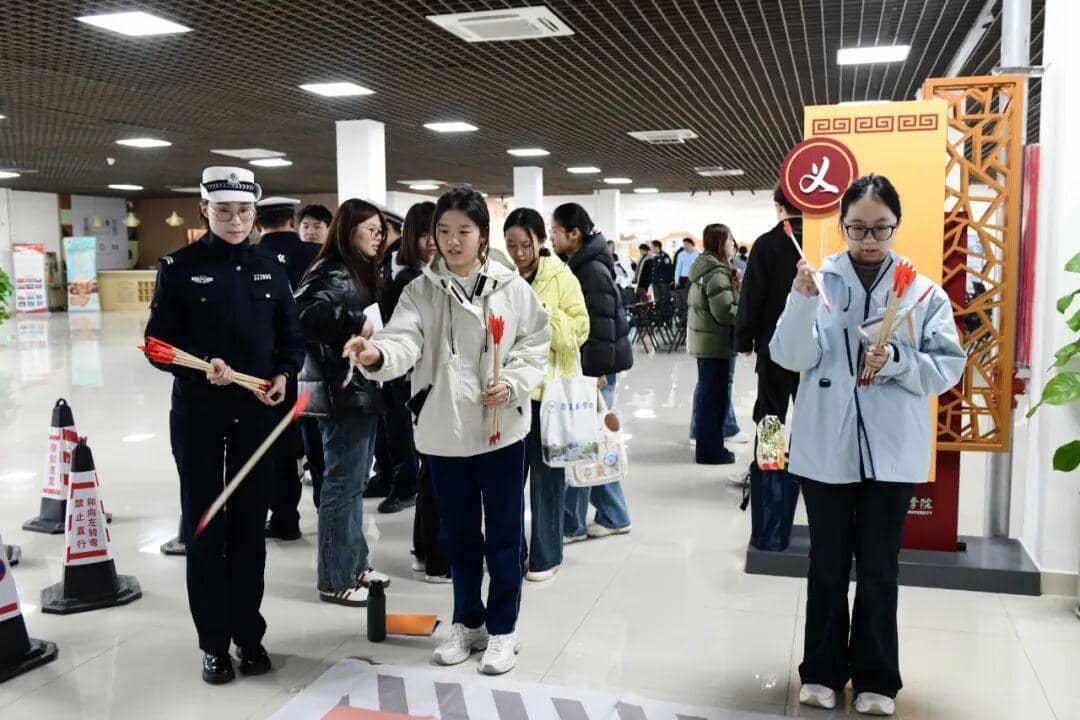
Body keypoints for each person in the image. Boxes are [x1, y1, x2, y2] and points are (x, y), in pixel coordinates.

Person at [770, 175, 964, 716]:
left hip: (891, 451)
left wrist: (899, 363)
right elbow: (790, 357)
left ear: (896, 226)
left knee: (880, 568)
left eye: (881, 228)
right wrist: (800, 301)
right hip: (825, 447)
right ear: (842, 226)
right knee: (827, 564)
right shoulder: (818, 281)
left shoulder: (920, 291)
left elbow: (948, 366)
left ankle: (878, 677)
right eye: (857, 228)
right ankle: (823, 671)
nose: (869, 239)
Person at [345, 187, 550, 675]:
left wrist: (515, 382)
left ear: (482, 236)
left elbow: (534, 344)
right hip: (442, 432)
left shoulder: (510, 288)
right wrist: (375, 356)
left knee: (502, 535)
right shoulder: (420, 290)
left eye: (464, 231)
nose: (452, 241)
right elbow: (402, 340)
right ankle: (468, 622)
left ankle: (504, 631)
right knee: (457, 537)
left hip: (500, 431)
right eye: (443, 231)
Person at [145, 166, 305, 684]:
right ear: (204, 211)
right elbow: (156, 345)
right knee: (206, 527)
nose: (235, 220)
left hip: (256, 416)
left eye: (243, 211)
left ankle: (249, 637)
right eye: (224, 211)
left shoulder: (270, 267)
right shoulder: (179, 267)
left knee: (249, 532)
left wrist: (284, 374)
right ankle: (212, 643)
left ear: (254, 213)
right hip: (198, 418)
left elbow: (291, 339)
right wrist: (197, 363)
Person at [294, 199, 393, 608]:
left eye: (380, 231)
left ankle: (356, 565)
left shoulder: (353, 270)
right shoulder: (332, 269)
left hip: (358, 390)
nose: (377, 238)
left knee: (352, 485)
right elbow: (304, 314)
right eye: (369, 230)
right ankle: (335, 578)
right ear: (347, 230)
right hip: (341, 391)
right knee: (340, 485)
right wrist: (358, 324)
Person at [505, 208, 589, 583]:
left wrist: (544, 314)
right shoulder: (502, 278)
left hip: (548, 394)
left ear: (540, 241)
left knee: (547, 479)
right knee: (507, 480)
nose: (519, 252)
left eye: (525, 244)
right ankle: (510, 554)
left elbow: (580, 329)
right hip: (510, 393)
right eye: (511, 245)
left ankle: (546, 555)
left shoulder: (561, 277)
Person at [551, 203, 634, 543]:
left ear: (575, 234)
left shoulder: (590, 271)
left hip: (594, 371)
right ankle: (613, 515)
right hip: (592, 368)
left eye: (555, 231)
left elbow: (600, 325)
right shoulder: (584, 264)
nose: (552, 238)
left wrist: (595, 371)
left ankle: (573, 523)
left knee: (584, 446)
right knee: (593, 444)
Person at [380, 202, 450, 583]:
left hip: (418, 387)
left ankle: (426, 550)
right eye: (427, 234)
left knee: (432, 473)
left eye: (439, 233)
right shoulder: (413, 282)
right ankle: (437, 556)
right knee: (438, 472)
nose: (435, 243)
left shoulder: (414, 275)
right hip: (418, 388)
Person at [256, 196, 321, 541]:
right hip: (318, 363)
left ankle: (284, 517)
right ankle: (329, 514)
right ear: (293, 222)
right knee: (320, 437)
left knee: (279, 442)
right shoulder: (317, 254)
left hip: (273, 364)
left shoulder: (253, 257)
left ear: (256, 223)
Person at [734, 185, 804, 439]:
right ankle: (804, 473)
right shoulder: (822, 241)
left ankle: (769, 473)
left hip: (772, 345)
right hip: (815, 346)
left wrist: (744, 339)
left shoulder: (765, 245)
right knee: (810, 413)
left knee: (771, 414)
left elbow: (752, 296)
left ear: (778, 207)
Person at [687, 225, 739, 465]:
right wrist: (748, 314)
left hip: (709, 343)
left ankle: (709, 447)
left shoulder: (705, 267)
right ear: (720, 242)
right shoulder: (716, 272)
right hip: (716, 344)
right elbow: (725, 313)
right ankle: (711, 451)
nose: (733, 245)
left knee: (709, 397)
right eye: (730, 240)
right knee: (714, 400)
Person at [295, 203, 333, 507]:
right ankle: (320, 486)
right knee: (308, 425)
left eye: (317, 226)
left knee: (327, 430)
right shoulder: (293, 261)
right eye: (306, 225)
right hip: (302, 362)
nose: (310, 231)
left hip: (330, 362)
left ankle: (328, 488)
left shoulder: (333, 264)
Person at [650, 239, 674, 304]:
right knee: (657, 300)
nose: (651, 249)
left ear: (657, 247)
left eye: (652, 247)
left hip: (663, 282)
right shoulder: (655, 257)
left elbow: (669, 269)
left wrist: (671, 280)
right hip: (656, 281)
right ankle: (659, 313)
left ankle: (666, 313)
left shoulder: (665, 256)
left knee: (665, 300)